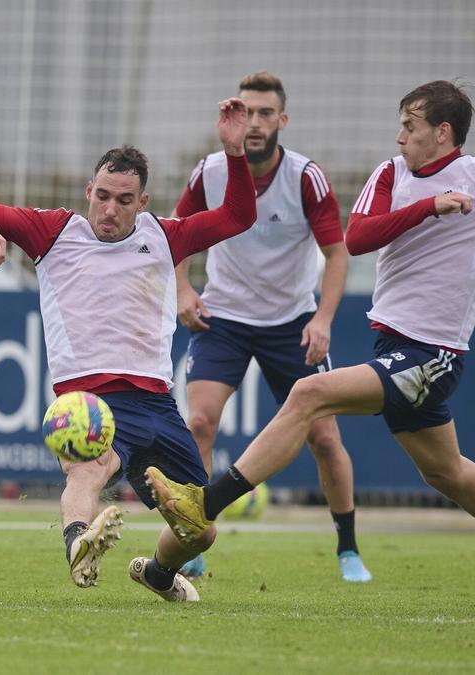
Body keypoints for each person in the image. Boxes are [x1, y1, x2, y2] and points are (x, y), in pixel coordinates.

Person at [146, 80, 475, 615]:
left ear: (442, 131)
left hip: (433, 353)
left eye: (409, 126)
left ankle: (207, 503)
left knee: (309, 394)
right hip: (394, 343)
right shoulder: (390, 173)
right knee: (447, 473)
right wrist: (429, 206)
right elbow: (359, 237)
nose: (399, 135)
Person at [0, 99, 256, 602]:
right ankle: (78, 544)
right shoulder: (53, 231)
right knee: (90, 469)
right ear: (89, 191)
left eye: (124, 200)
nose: (110, 210)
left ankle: (157, 573)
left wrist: (234, 152)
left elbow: (240, 215)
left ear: (143, 201)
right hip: (87, 399)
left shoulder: (166, 235)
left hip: (156, 403)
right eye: (103, 196)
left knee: (200, 529)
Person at [172, 71, 370, 583]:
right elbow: (175, 238)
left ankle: (348, 549)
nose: (254, 123)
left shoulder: (307, 177)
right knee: (199, 424)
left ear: (282, 120)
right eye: (246, 112)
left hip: (291, 323)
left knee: (325, 436)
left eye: (264, 114)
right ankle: (191, 541)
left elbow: (336, 254)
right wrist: (183, 291)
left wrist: (322, 319)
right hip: (225, 318)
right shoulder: (210, 172)